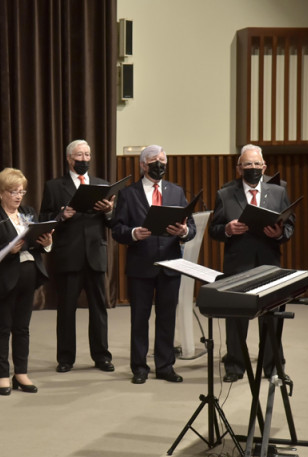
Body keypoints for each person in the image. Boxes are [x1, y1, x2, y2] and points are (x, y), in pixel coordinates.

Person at [208, 144, 294, 383]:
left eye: (257, 164)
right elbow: (214, 231)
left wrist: (279, 234)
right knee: (236, 318)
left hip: (269, 263)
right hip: (238, 264)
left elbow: (289, 226)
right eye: (248, 164)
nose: (253, 168)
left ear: (264, 167)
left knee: (273, 317)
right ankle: (235, 365)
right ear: (239, 168)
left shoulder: (279, 191)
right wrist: (227, 228)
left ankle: (273, 366)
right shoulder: (224, 193)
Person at [111, 145, 196, 384]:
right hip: (141, 264)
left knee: (167, 317)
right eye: (154, 160)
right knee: (139, 318)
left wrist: (184, 231)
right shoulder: (129, 194)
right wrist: (134, 233)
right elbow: (117, 229)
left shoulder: (176, 192)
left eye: (163, 160)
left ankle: (165, 366)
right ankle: (139, 367)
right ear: (142, 165)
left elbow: (191, 228)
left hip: (170, 263)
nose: (159, 163)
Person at [39, 139, 114, 374]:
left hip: (95, 254)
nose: (84, 159)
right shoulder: (54, 186)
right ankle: (65, 358)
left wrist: (109, 211)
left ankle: (101, 356)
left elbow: (112, 221)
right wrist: (61, 215)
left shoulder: (102, 184)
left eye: (87, 155)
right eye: (80, 156)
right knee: (67, 309)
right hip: (68, 255)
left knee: (98, 308)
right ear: (69, 158)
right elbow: (44, 218)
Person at [0, 168, 52, 395]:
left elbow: (36, 243)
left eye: (22, 191)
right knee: (3, 328)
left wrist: (46, 241)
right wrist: (8, 249)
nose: (19, 196)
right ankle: (2, 375)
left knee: (22, 328)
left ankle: (21, 373)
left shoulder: (28, 212)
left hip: (29, 277)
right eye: (13, 192)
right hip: (4, 280)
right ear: (1, 193)